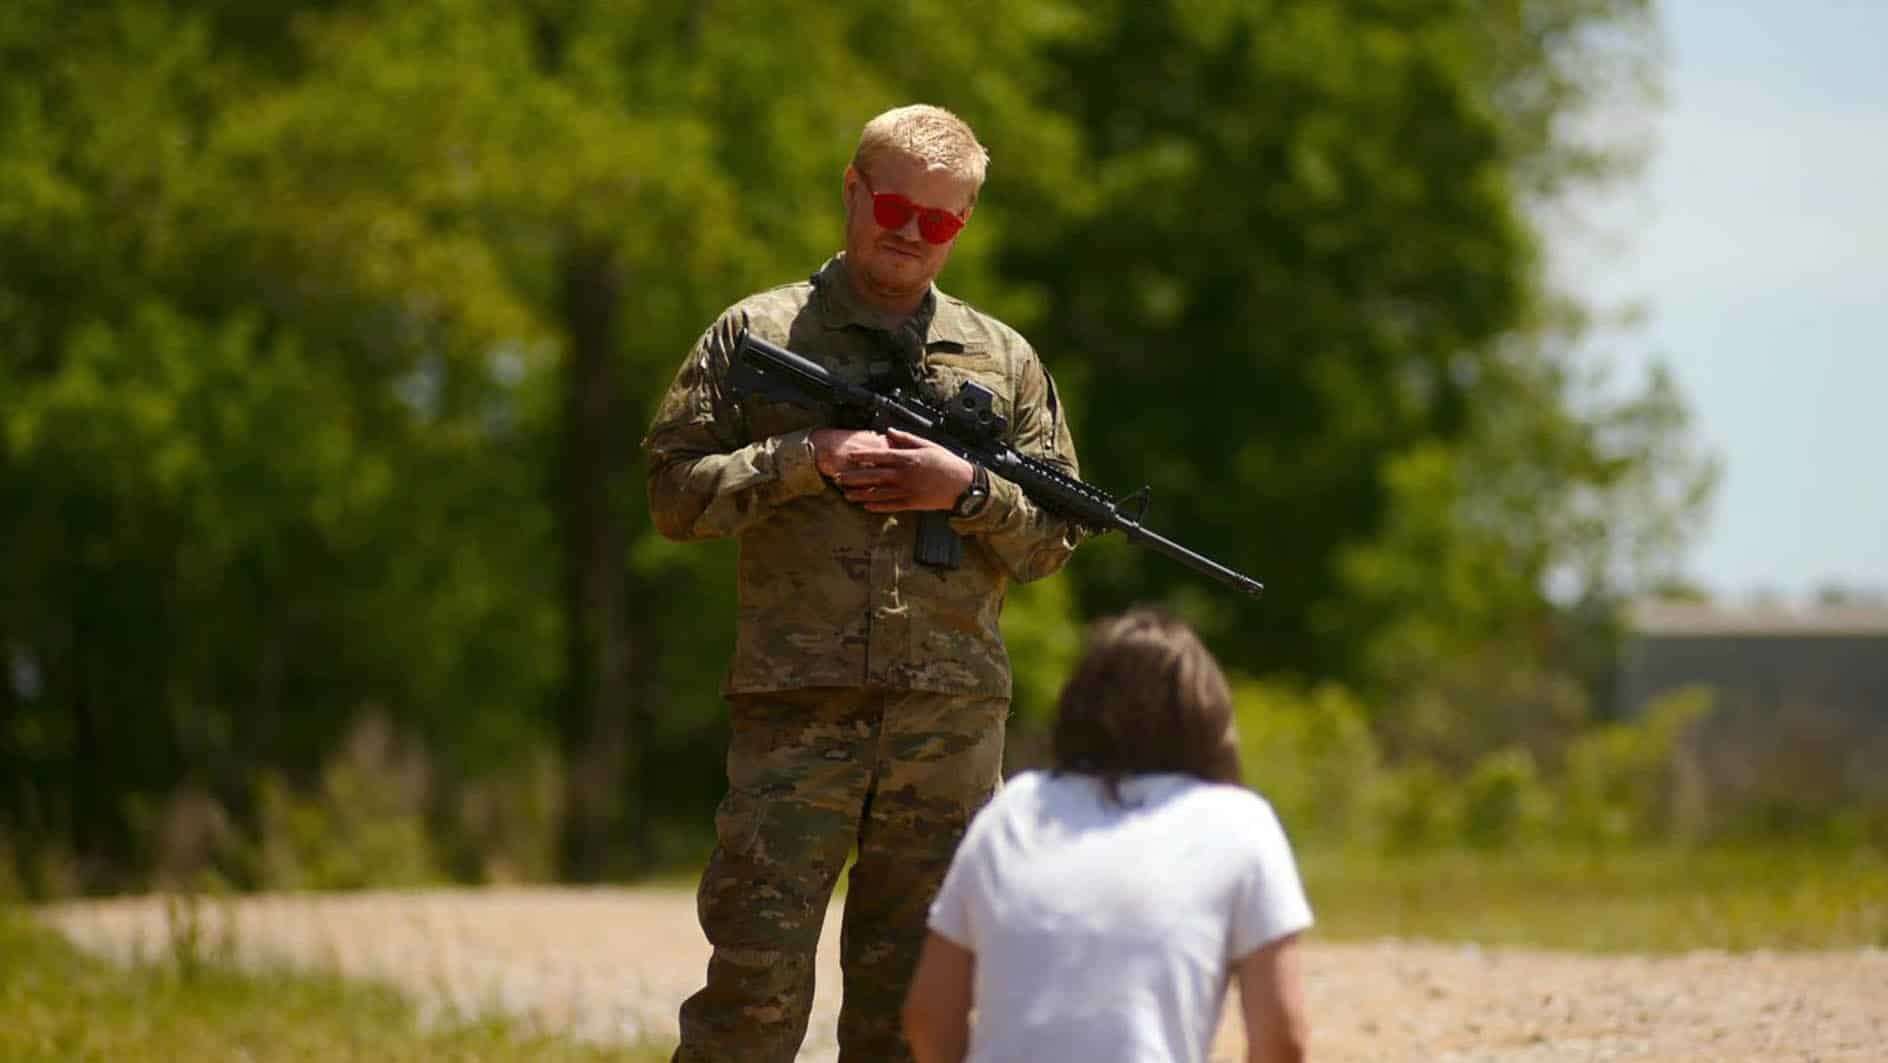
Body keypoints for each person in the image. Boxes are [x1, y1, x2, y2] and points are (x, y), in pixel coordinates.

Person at [643, 103, 1086, 1063]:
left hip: (948, 730)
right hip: (797, 717)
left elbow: (1058, 538)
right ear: (853, 189)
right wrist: (802, 457)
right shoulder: (754, 334)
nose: (911, 234)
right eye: (894, 206)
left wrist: (966, 489)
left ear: (963, 224)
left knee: (917, 1015)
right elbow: (673, 497)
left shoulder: (1005, 360)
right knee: (751, 998)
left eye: (940, 221)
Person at [901, 607, 1314, 1063]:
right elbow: (1283, 1038)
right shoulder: (1240, 820)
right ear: (1209, 718)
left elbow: (927, 1015)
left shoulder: (1014, 810)